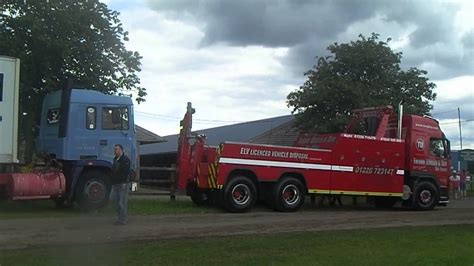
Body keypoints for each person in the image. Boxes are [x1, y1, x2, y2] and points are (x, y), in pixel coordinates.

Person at [110, 144, 131, 225]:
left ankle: (123, 219)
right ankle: (119, 217)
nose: (114, 151)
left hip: (123, 184)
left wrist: (124, 183)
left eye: (116, 149)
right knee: (114, 200)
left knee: (122, 202)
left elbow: (126, 173)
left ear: (121, 150)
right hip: (115, 183)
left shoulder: (125, 160)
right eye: (114, 149)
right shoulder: (115, 159)